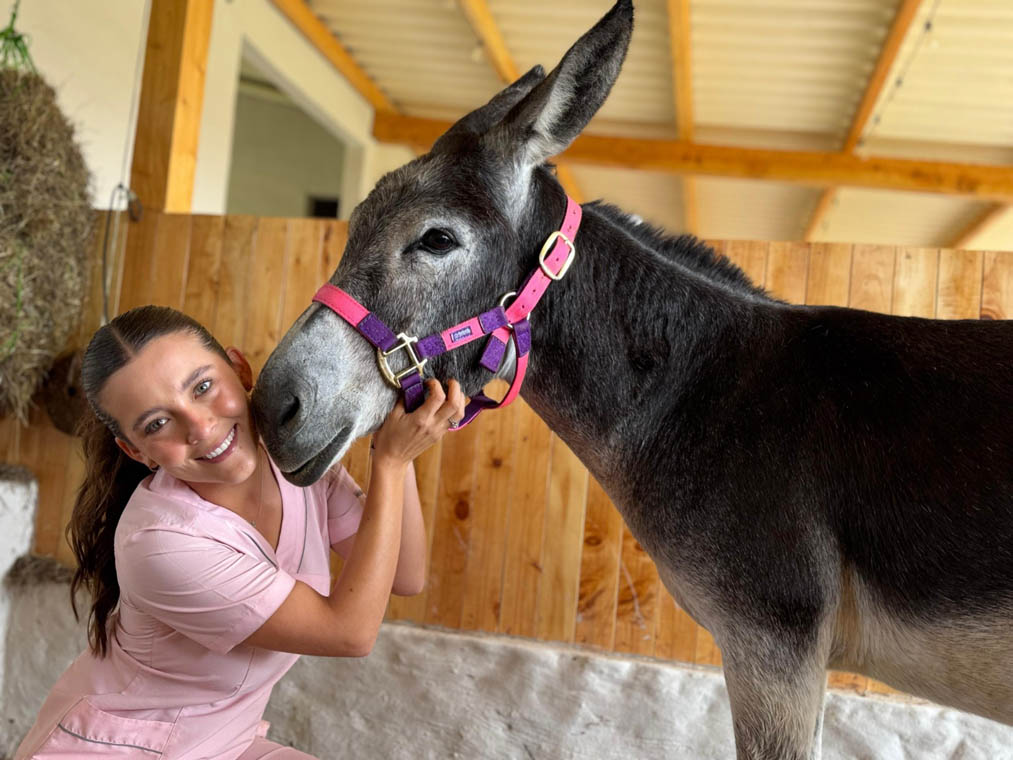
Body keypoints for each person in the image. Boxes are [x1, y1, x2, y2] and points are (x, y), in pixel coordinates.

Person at [15, 305, 465, 759]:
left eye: (203, 387)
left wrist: (392, 439)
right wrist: (391, 462)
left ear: (240, 369)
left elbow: (405, 576)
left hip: (221, 744)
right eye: (158, 423)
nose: (200, 426)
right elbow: (349, 633)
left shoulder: (290, 457)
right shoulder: (159, 543)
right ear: (137, 451)